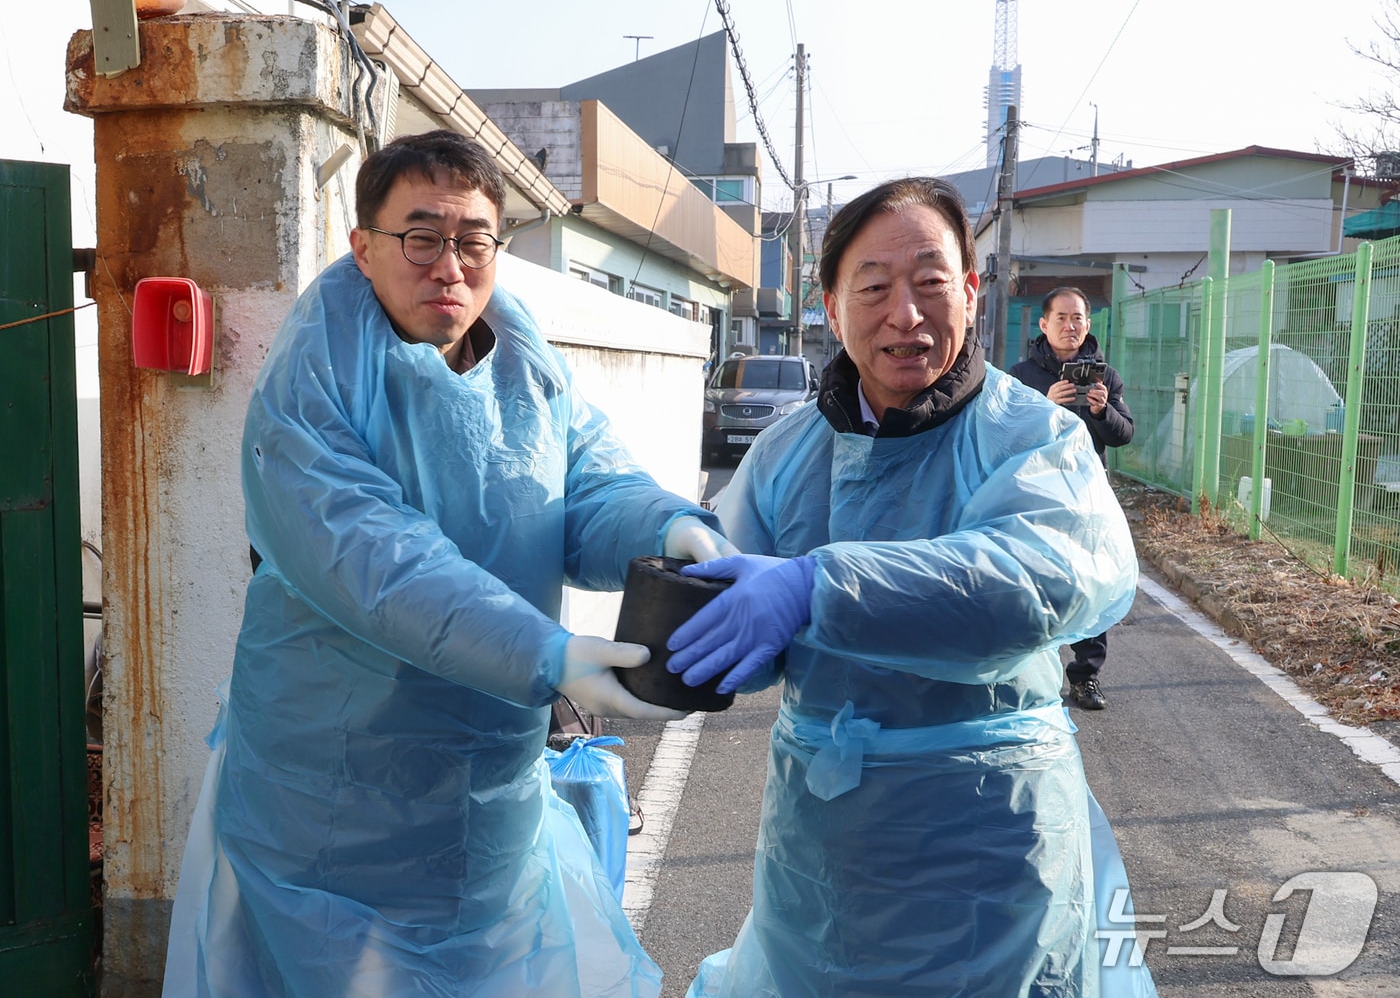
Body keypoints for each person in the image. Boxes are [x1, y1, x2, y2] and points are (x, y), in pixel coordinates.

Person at [161, 130, 734, 997]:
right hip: (334, 803)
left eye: (474, 241)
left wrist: (670, 526)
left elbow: (583, 485)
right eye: (421, 237)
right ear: (363, 247)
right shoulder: (314, 379)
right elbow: (374, 559)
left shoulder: (523, 359)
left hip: (487, 796)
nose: (450, 266)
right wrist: (544, 653)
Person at [668, 178, 1157, 996]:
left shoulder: (1034, 435)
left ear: (970, 291)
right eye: (874, 288)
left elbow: (1033, 580)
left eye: (930, 282)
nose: (906, 314)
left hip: (994, 847)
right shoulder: (787, 452)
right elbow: (724, 600)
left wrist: (819, 586)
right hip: (824, 853)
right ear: (832, 307)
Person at [1009, 286, 1135, 711]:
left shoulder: (1106, 377)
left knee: (1090, 583)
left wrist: (1102, 411)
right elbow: (1007, 434)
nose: (1070, 325)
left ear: (1088, 324)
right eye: (1061, 318)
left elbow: (1123, 435)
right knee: (1034, 582)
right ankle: (1028, 675)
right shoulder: (1021, 376)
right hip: (1037, 493)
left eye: (1077, 317)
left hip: (1087, 496)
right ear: (1044, 325)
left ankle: (1085, 677)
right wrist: (1044, 406)